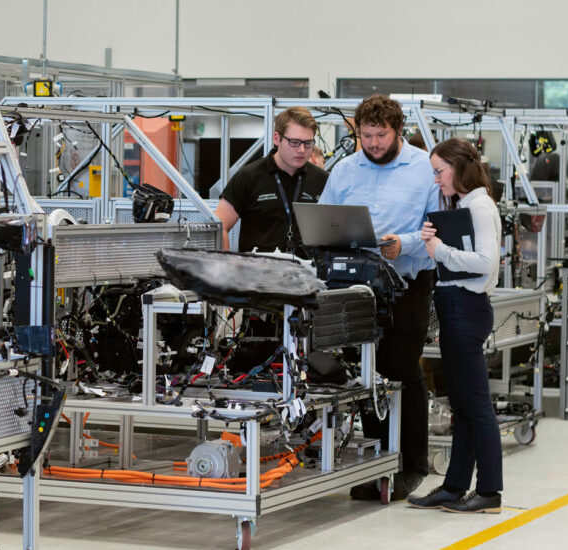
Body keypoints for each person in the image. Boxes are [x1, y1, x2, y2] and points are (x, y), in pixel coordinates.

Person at [318, 94, 438, 500]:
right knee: (367, 376)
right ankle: (379, 463)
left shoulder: (424, 168)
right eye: (366, 135)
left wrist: (402, 244)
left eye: (380, 135)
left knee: (400, 369)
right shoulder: (346, 169)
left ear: (397, 130)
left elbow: (436, 228)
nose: (372, 143)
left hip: (407, 285)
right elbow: (323, 219)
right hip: (357, 288)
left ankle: (412, 465)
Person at [408, 137, 503, 513]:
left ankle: (490, 492)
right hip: (454, 305)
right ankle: (454, 486)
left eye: (439, 171)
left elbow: (485, 263)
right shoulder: (464, 205)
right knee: (463, 405)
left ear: (458, 166)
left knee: (477, 406)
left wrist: (441, 251)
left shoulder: (480, 206)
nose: (436, 180)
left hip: (467, 307)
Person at [215, 106, 328, 255]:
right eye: (294, 142)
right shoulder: (249, 176)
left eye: (308, 143)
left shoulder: (322, 180)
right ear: (277, 139)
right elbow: (220, 225)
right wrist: (226, 265)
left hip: (307, 272)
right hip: (259, 273)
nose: (301, 150)